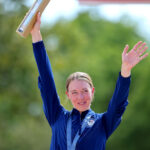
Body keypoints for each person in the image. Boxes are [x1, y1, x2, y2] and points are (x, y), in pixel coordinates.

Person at [30, 12, 149, 150]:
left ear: (92, 92)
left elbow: (118, 102)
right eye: (74, 92)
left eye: (84, 91)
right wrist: (36, 34)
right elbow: (46, 80)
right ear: (68, 95)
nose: (80, 97)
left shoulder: (103, 123)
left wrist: (125, 70)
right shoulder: (57, 116)